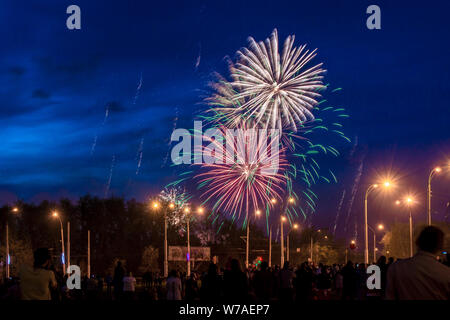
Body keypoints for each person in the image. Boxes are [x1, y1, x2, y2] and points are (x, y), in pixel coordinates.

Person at [386, 226, 450, 300]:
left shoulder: (396, 269)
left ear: (417, 243)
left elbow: (389, 296)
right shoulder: (446, 274)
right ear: (440, 246)